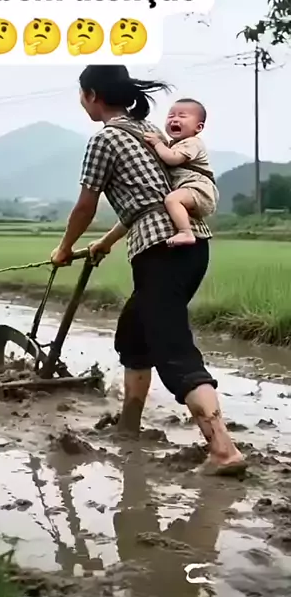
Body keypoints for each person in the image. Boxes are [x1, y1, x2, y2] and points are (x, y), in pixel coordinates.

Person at [50, 64, 245, 476]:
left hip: (162, 250)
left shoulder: (105, 139)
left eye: (82, 95)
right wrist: (106, 242)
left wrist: (64, 248)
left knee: (173, 349)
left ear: (92, 95)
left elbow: (85, 206)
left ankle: (223, 450)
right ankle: (129, 427)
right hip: (188, 246)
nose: (82, 101)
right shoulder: (147, 130)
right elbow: (149, 201)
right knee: (135, 336)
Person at [143, 98, 219, 247]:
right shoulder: (173, 144)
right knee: (173, 200)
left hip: (199, 189)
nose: (175, 119)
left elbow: (172, 159)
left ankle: (186, 232)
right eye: (171, 116)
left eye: (182, 116)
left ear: (198, 127)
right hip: (190, 189)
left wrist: (157, 143)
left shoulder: (193, 142)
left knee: (172, 200)